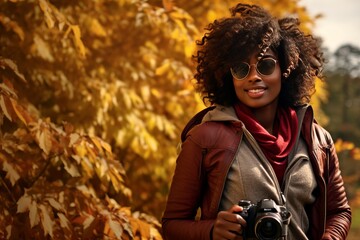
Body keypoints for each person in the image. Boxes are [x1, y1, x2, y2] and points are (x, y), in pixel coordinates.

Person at [161, 2, 352, 240]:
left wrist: (330, 237)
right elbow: (171, 225)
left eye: (265, 65)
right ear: (227, 76)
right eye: (241, 69)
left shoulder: (318, 139)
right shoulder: (204, 138)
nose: (253, 77)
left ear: (286, 68)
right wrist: (211, 230)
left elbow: (339, 212)